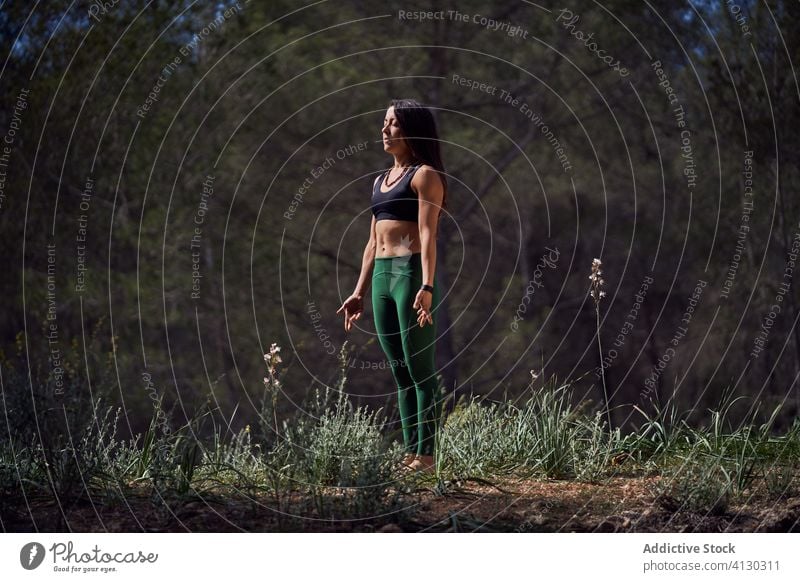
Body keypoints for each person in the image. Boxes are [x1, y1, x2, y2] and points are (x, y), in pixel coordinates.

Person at [337, 98, 448, 474]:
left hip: (410, 273)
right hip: (383, 276)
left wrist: (428, 285)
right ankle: (410, 454)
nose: (385, 130)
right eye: (384, 122)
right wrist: (358, 291)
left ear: (412, 130)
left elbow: (429, 234)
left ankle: (427, 457)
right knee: (400, 370)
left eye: (394, 124)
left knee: (420, 369)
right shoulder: (378, 181)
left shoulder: (425, 175)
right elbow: (372, 242)